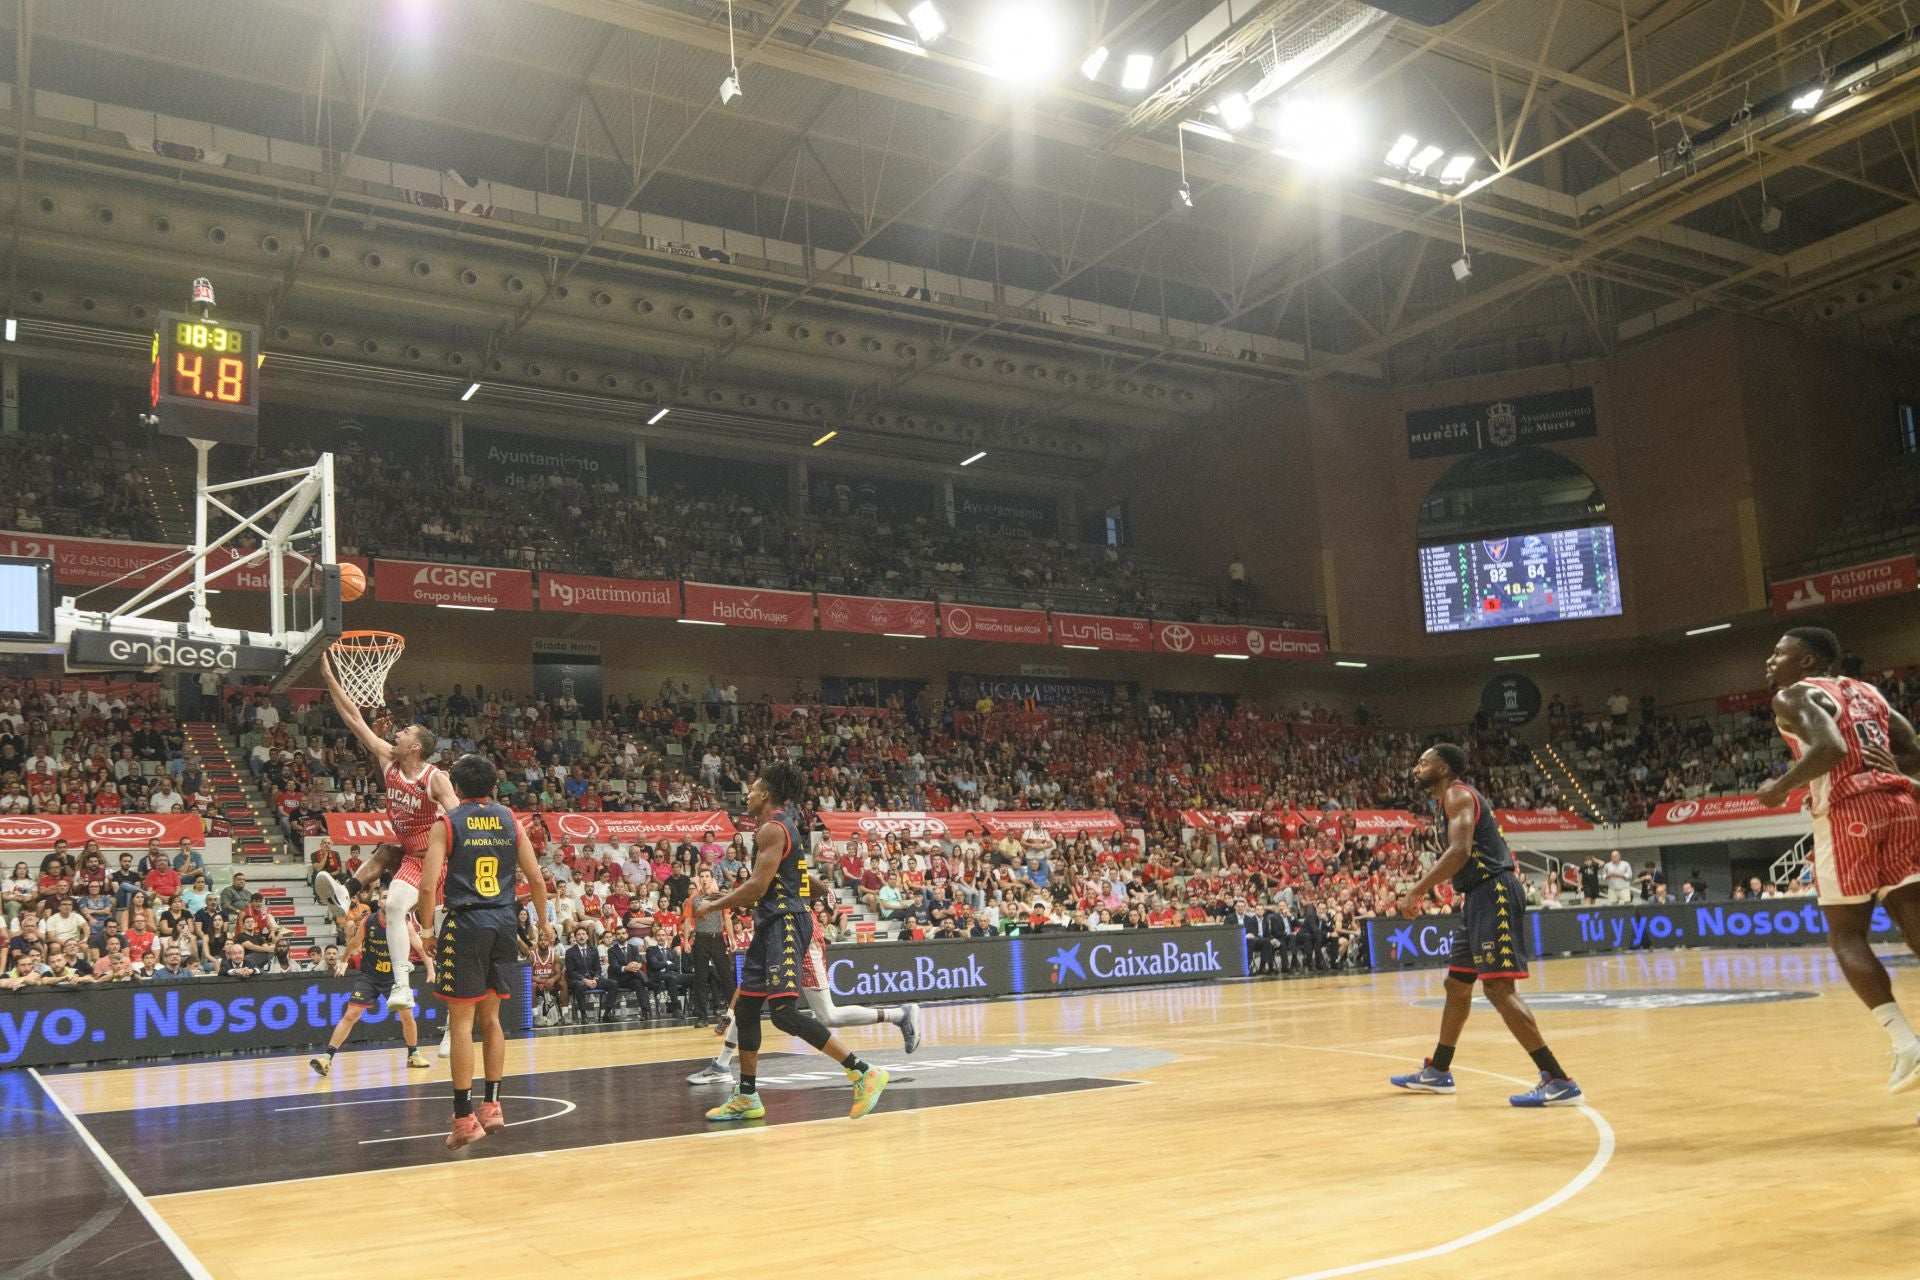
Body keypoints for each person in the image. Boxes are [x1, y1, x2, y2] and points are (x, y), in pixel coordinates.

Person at [1757, 627, 1920, 1094]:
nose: (1771, 661)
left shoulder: (1794, 694)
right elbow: (1911, 752)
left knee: (1845, 933)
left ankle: (1906, 1041)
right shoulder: (1868, 692)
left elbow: (1830, 749)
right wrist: (1888, 772)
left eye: (1779, 652)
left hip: (1849, 812)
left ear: (1807, 662)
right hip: (1903, 807)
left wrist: (1779, 786)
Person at [689, 763, 890, 1121]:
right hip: (771, 925)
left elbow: (756, 888)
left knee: (783, 1014)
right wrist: (819, 887)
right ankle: (747, 1096)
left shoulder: (772, 829)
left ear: (765, 794)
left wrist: (711, 906)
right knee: (747, 1009)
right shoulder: (783, 827)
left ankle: (862, 1071)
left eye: (751, 789)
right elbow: (795, 875)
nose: (747, 795)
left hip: (783, 923)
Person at [1389, 744, 1582, 1107]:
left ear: (1443, 768)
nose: (1416, 768)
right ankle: (1439, 1071)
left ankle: (1558, 1079)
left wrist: (1415, 891)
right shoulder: (1445, 801)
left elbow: (1459, 851)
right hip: (1476, 897)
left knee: (1498, 989)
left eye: (1423, 762)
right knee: (1457, 983)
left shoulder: (1458, 794)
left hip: (1493, 890)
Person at [418, 753, 551, 1150]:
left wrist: (427, 930)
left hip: (467, 921)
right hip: (504, 923)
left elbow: (427, 887)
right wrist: (543, 922)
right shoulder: (510, 819)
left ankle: (463, 1119)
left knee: (460, 1022)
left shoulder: (447, 822)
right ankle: (492, 1106)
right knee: (492, 1018)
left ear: (455, 789)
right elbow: (536, 878)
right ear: (493, 786)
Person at [314, 652, 460, 1009]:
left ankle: (450, 1017)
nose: (396, 732)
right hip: (412, 858)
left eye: (405, 731)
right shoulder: (387, 759)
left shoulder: (434, 778)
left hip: (438, 861)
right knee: (393, 905)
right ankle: (400, 986)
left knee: (449, 945)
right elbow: (352, 719)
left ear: (416, 747)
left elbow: (462, 820)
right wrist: (329, 676)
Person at [688, 901, 921, 1087]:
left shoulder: (783, 855)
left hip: (799, 935)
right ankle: (722, 1065)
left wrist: (717, 901)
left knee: (828, 1016)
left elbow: (769, 889)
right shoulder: (770, 858)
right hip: (776, 931)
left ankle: (898, 1015)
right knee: (749, 998)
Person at [310, 903, 434, 1076]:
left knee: (407, 1015)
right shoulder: (369, 921)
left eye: (390, 897)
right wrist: (344, 960)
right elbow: (354, 942)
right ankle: (326, 1058)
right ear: (380, 903)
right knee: (351, 1014)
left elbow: (421, 947)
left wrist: (430, 968)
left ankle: (413, 1054)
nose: (388, 900)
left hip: (394, 977)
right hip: (370, 976)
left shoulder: (403, 924)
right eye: (384, 897)